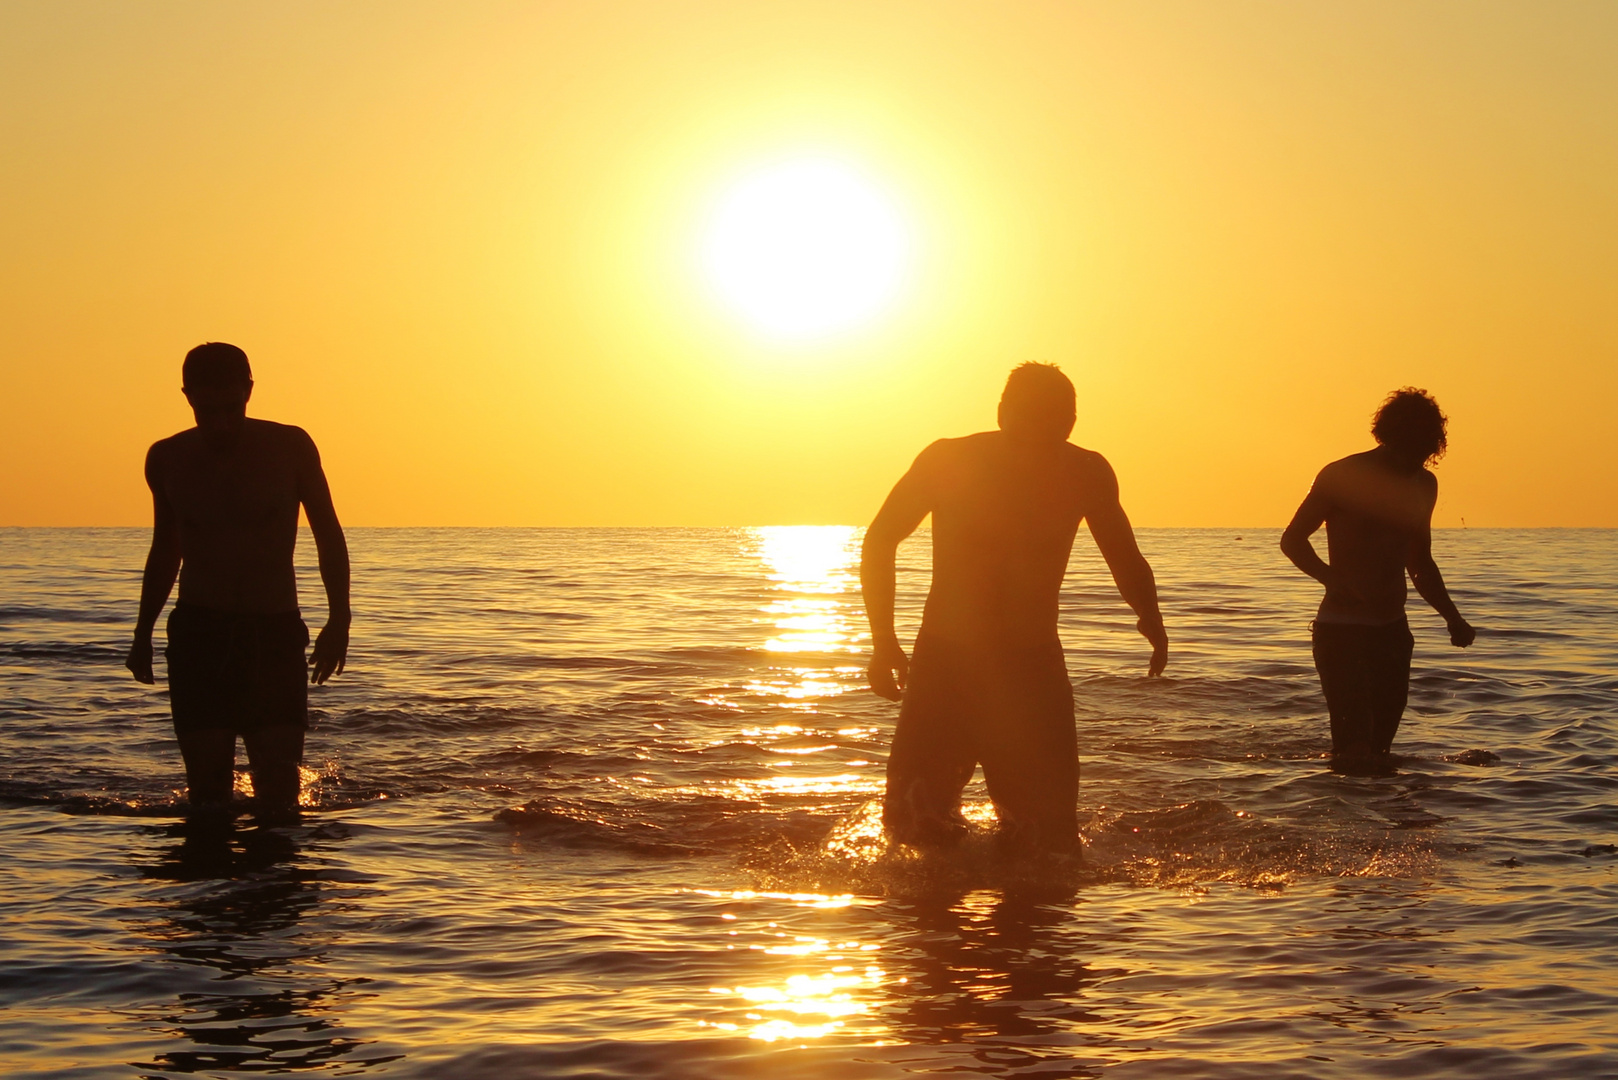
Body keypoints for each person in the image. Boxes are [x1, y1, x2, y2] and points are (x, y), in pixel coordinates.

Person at [861, 362, 1167, 854]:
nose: (1044, 429)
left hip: (1032, 667)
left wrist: (1150, 618)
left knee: (1048, 840)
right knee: (914, 829)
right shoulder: (948, 461)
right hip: (946, 662)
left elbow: (1125, 555)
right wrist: (882, 642)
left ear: (1072, 421)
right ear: (1003, 413)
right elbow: (880, 540)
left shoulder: (1084, 471)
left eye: (1058, 418)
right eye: (1031, 415)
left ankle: (1032, 923)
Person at [125, 342, 350, 819]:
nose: (222, 423)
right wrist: (141, 634)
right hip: (199, 634)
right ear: (187, 396)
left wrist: (339, 619)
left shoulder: (290, 447)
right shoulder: (167, 458)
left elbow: (328, 534)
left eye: (232, 408)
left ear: (249, 391)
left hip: (273, 631)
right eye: (208, 411)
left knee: (279, 795)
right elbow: (166, 549)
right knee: (207, 798)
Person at [1281, 387, 1475, 772]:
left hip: (1393, 632)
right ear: (1392, 436)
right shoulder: (1344, 475)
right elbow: (1293, 539)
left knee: (1381, 752)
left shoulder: (1424, 484)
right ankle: (1342, 824)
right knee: (1354, 749)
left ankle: (1382, 827)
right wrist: (1331, 580)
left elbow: (1419, 560)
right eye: (1412, 446)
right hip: (1341, 630)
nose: (1418, 458)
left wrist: (1452, 616)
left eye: (1427, 448)